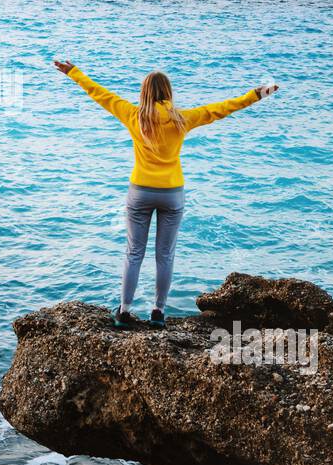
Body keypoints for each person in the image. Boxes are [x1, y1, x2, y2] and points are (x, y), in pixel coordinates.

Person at [54, 62, 279, 326]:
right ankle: (158, 312)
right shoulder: (182, 119)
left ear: (144, 93)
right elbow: (221, 109)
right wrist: (256, 94)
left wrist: (74, 73)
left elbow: (100, 93)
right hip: (172, 193)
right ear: (169, 93)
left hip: (140, 191)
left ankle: (124, 311)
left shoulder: (132, 115)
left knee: (134, 253)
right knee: (165, 255)